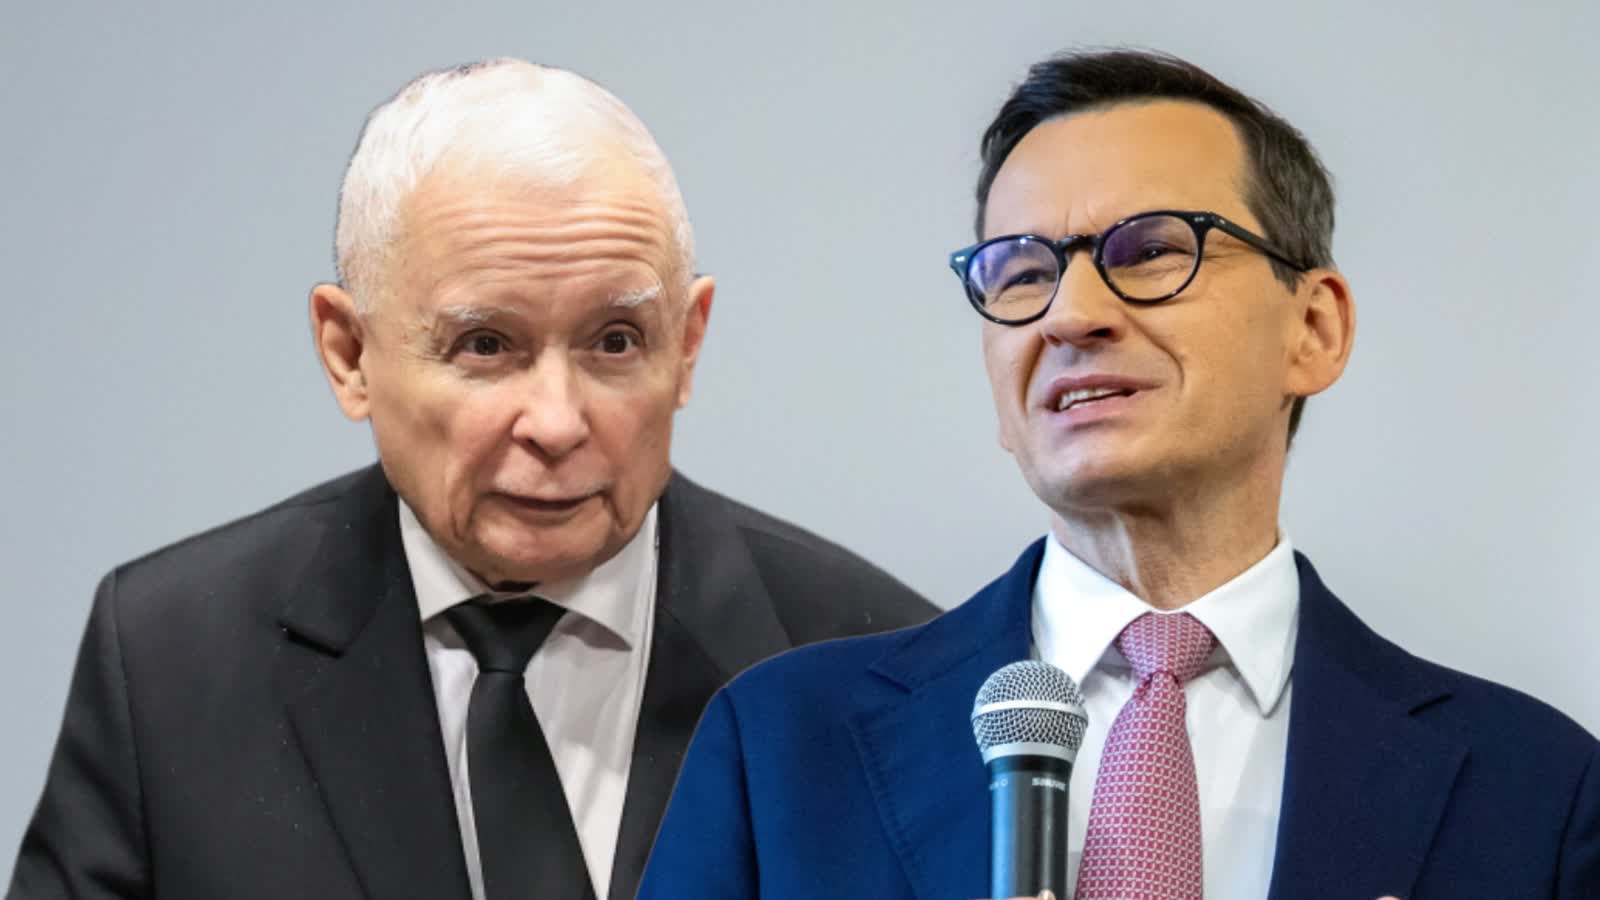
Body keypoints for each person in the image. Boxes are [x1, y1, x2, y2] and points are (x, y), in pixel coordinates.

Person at [637, 49, 1600, 900]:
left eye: (1152, 252)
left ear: (1314, 329)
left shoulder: (1538, 791)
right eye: (1022, 272)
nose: (1070, 314)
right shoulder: (780, 747)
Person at [7, 59, 934, 900]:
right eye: (485, 345)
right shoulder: (170, 659)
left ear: (686, 347)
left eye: (616, 342)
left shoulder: (883, 664)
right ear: (349, 354)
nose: (557, 422)